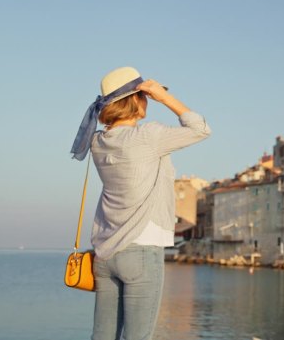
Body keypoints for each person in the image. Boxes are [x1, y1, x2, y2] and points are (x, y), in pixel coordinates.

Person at [70, 66, 211, 340]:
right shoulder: (149, 136)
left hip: (105, 253)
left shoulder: (98, 142)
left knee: (102, 336)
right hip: (142, 251)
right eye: (144, 96)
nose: (148, 101)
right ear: (135, 99)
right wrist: (163, 96)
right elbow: (201, 128)